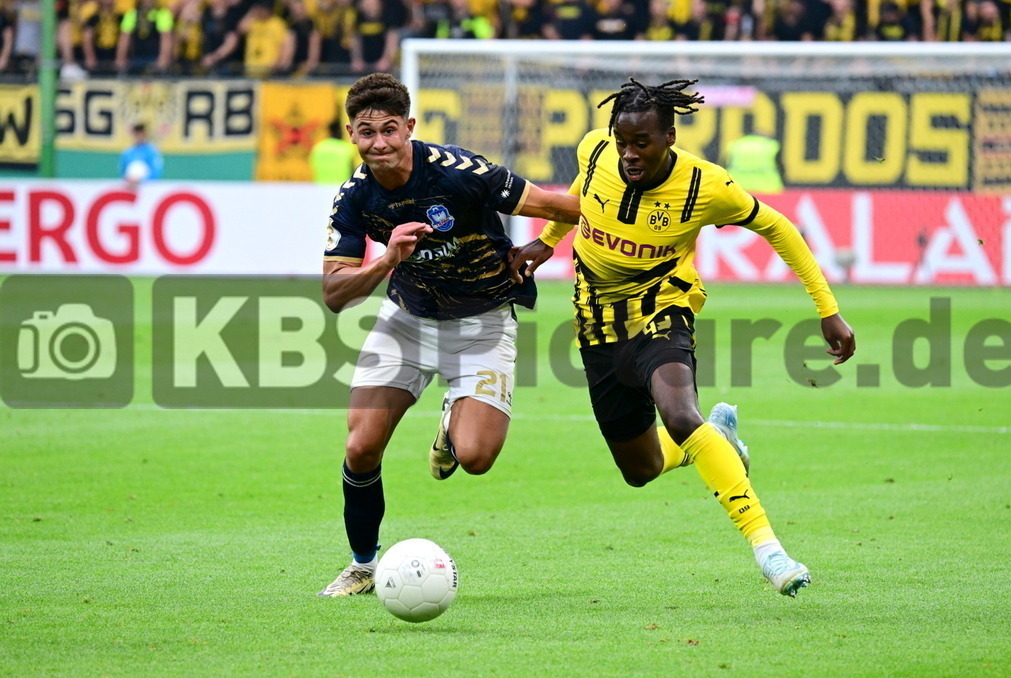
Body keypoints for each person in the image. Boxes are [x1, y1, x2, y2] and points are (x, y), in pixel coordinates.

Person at [509, 78, 855, 597]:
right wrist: (546, 242)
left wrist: (828, 310)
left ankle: (769, 550)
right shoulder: (595, 149)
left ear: (669, 136)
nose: (628, 153)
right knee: (641, 468)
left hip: (662, 308)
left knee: (678, 411)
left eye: (641, 143)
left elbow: (778, 227)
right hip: (596, 323)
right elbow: (581, 196)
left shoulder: (706, 186)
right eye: (622, 141)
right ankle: (715, 440)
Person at [318, 73, 580, 597]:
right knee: (361, 446)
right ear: (352, 134)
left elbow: (560, 206)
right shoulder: (354, 197)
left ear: (410, 127)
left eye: (390, 130)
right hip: (406, 322)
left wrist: (551, 244)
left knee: (477, 457)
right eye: (366, 133)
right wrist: (388, 259)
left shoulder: (463, 174)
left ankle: (452, 419)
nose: (379, 144)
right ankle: (363, 565)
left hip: (482, 324)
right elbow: (335, 293)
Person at [725, 128, 785, 194]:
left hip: (739, 188)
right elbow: (781, 168)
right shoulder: (770, 146)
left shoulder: (736, 145)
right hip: (768, 189)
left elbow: (724, 167)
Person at [309, 118, 358, 184]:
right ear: (341, 131)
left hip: (320, 189)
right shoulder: (347, 148)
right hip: (342, 188)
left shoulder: (318, 148)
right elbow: (353, 172)